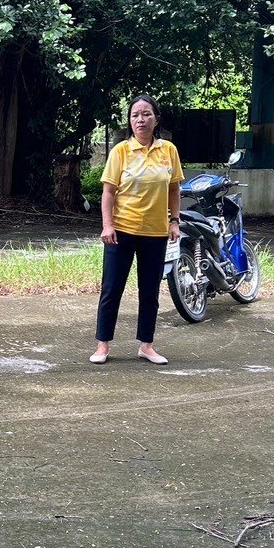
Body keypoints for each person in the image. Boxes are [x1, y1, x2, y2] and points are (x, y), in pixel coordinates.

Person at [90, 95, 183, 365]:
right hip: (121, 230)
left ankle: (146, 345)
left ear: (156, 119)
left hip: (155, 233)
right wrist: (107, 225)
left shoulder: (169, 151)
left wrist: (174, 221)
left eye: (146, 114)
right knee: (112, 288)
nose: (140, 120)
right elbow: (108, 192)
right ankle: (103, 344)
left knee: (150, 291)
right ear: (130, 121)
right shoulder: (120, 151)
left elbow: (174, 188)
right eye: (135, 115)